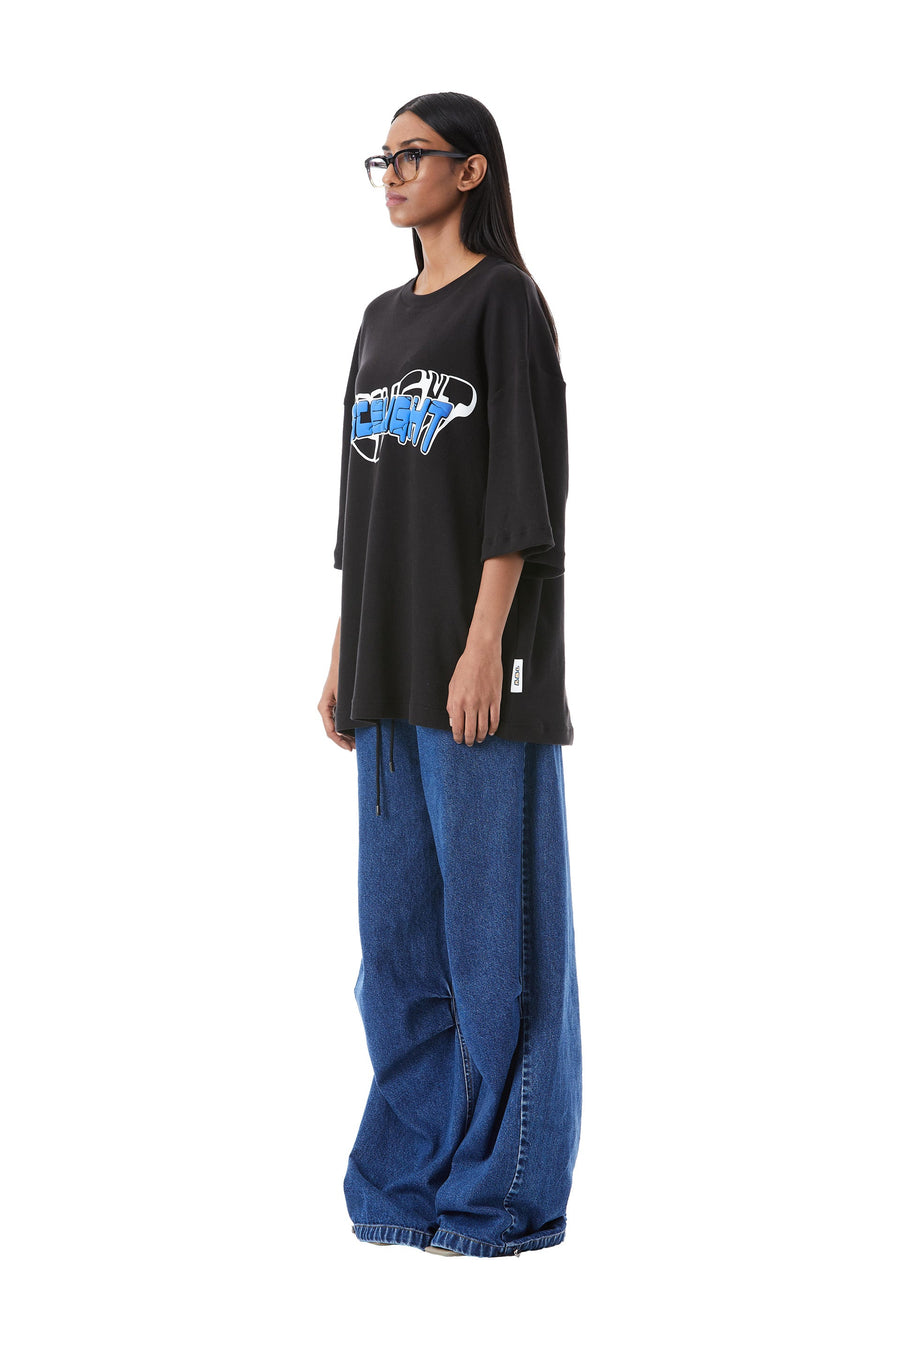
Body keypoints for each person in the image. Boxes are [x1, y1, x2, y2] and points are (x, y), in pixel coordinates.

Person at [318, 92, 582, 1258]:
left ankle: (500, 1199)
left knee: (495, 954)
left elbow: (522, 489)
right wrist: (344, 646)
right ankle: (403, 1186)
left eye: (412, 154)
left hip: (481, 674)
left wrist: (485, 646)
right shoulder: (379, 320)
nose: (392, 172)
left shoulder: (504, 302)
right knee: (398, 957)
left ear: (470, 170)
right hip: (385, 672)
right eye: (382, 156)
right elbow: (362, 504)